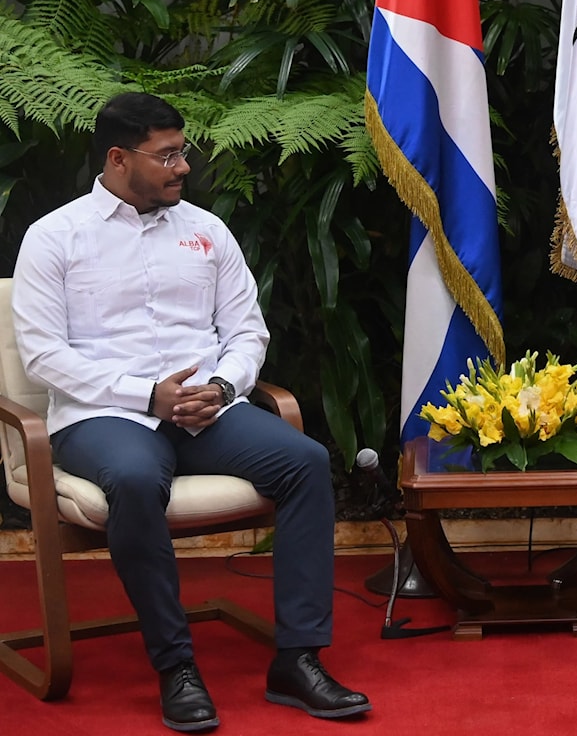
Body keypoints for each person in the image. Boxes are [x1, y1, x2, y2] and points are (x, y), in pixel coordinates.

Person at [11, 92, 371, 731]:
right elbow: (43, 357)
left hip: (208, 411)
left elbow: (247, 331)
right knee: (132, 478)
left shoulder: (208, 230)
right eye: (167, 155)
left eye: (184, 152)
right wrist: (145, 394)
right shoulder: (54, 237)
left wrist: (226, 387)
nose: (183, 167)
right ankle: (176, 665)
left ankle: (298, 659)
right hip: (104, 415)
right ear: (119, 159)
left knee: (306, 462)